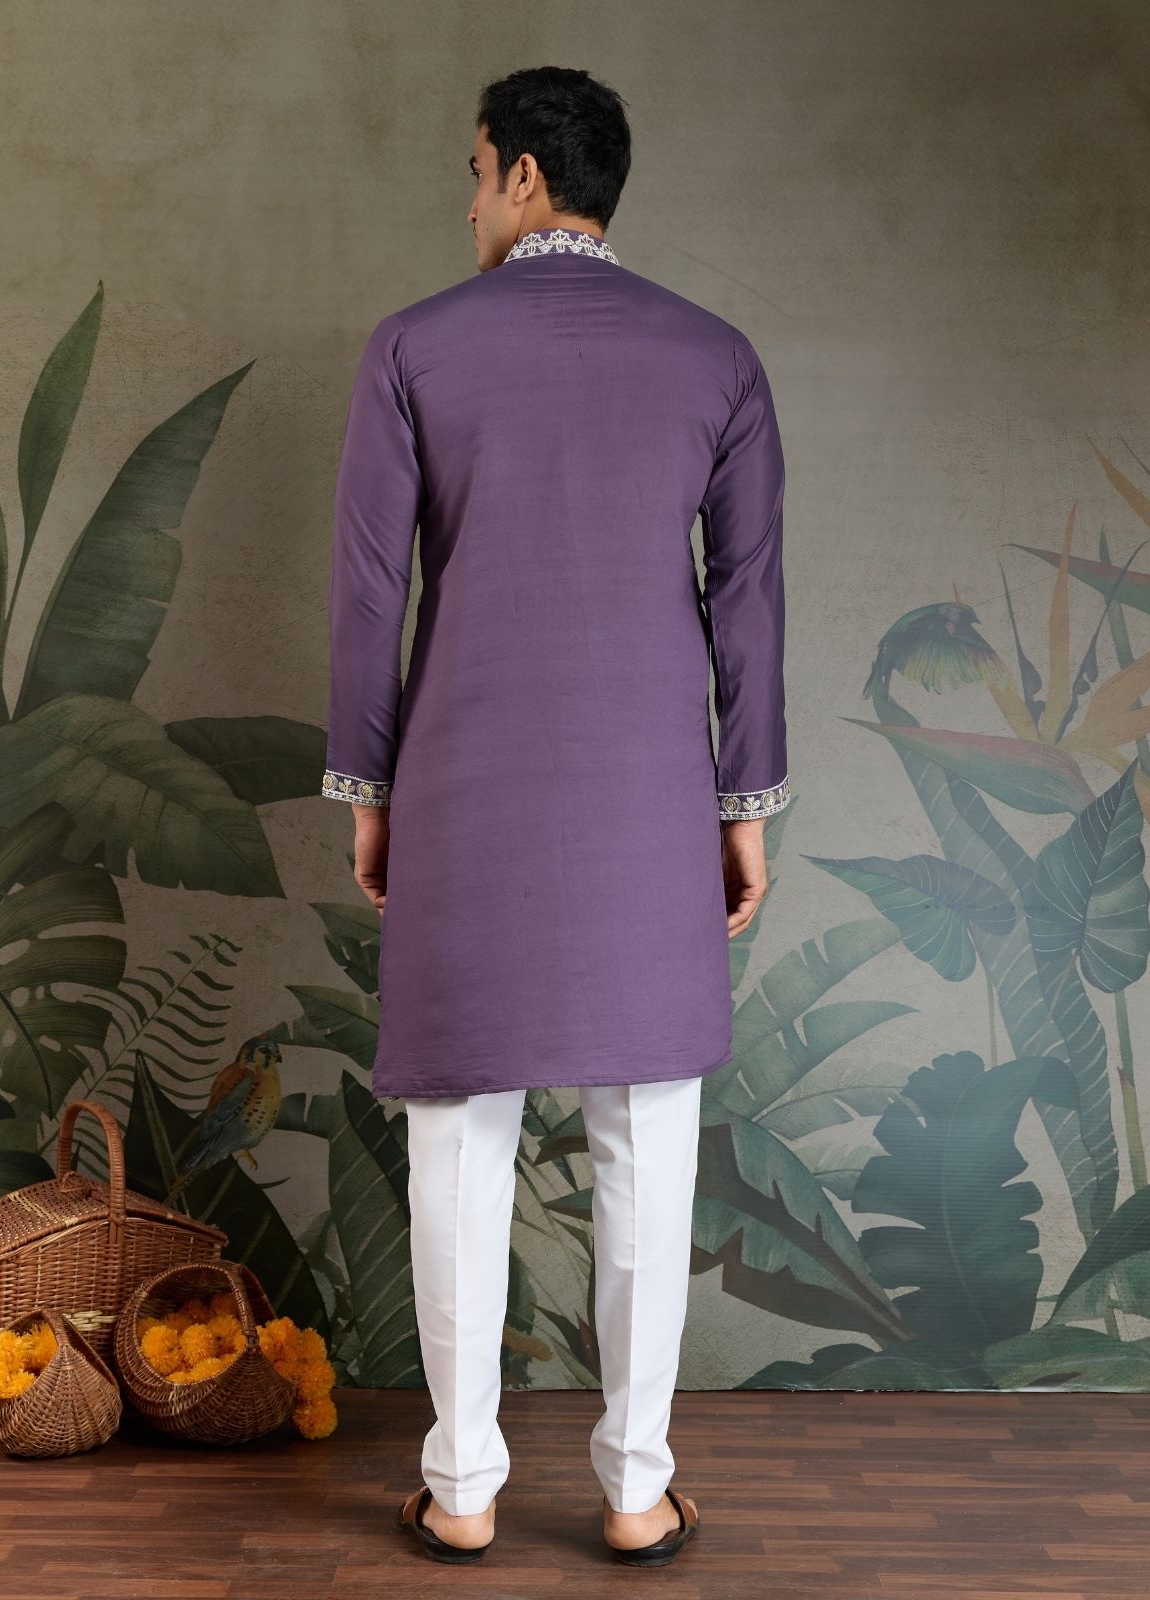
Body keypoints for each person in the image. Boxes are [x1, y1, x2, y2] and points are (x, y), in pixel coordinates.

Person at [323, 65, 790, 1567]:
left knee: (457, 1147)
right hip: (651, 802)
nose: (468, 204)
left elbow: (370, 594)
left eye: (475, 172)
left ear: (525, 175)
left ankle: (462, 1491)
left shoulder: (415, 347)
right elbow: (747, 605)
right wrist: (743, 806)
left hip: (462, 791)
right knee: (648, 1142)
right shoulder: (717, 357)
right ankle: (637, 1491)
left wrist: (369, 792)